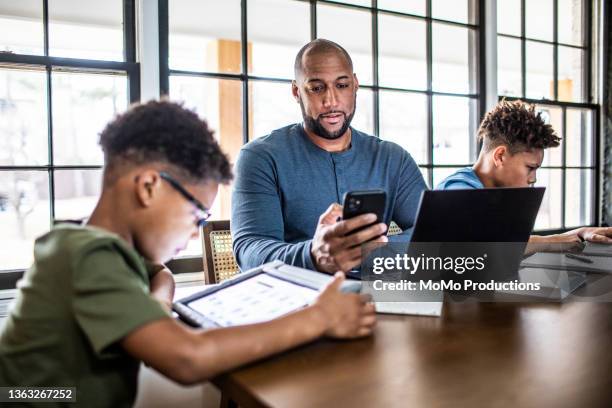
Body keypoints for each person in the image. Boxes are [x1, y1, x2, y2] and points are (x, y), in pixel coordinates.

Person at [0, 101, 376, 407]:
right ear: (148, 187)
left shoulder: (95, 248)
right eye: (197, 213)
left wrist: (156, 304)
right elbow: (187, 358)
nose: (197, 230)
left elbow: (159, 274)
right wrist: (319, 319)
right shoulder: (89, 256)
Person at [231, 39, 428, 274]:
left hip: (377, 296)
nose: (331, 101)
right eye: (316, 88)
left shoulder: (393, 158)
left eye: (342, 85)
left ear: (355, 85)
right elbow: (250, 251)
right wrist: (314, 254)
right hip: (301, 300)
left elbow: (432, 232)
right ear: (297, 91)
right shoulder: (260, 158)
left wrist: (370, 253)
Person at [437, 99, 612, 245]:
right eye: (530, 168)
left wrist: (579, 234)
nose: (533, 179)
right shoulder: (457, 190)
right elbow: (488, 245)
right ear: (500, 156)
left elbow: (514, 244)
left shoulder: (500, 195)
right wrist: (560, 240)